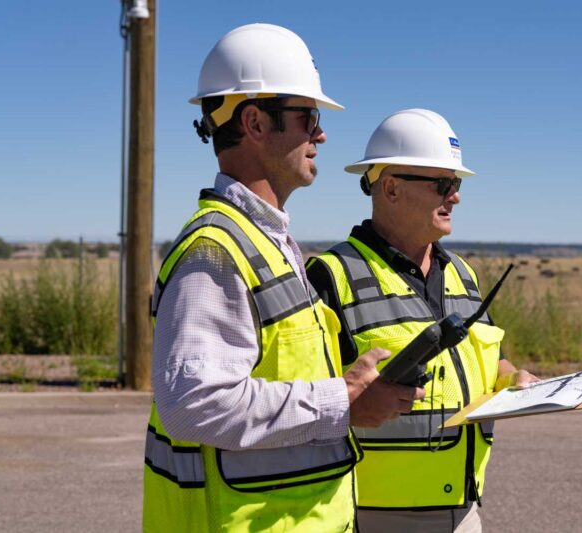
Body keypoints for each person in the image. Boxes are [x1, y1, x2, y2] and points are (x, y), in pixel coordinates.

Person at [142, 25, 423, 533]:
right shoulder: (216, 251)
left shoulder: (267, 243)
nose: (321, 134)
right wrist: (345, 400)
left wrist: (358, 385)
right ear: (253, 122)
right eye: (308, 117)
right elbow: (194, 405)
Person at [306, 109, 538, 532]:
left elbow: (493, 362)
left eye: (457, 184)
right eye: (443, 184)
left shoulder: (463, 275)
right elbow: (303, 404)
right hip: (368, 517)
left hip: (464, 512)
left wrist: (514, 380)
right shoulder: (330, 276)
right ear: (391, 187)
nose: (455, 197)